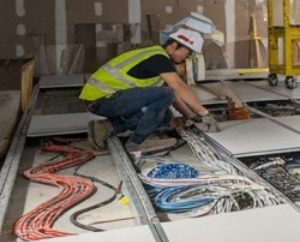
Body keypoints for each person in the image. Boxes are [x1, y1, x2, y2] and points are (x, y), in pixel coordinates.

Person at [81, 28, 216, 155]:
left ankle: (109, 127)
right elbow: (177, 86)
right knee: (165, 94)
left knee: (165, 115)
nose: (187, 57)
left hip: (105, 100)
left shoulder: (156, 59)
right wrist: (204, 113)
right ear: (173, 46)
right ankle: (137, 141)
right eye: (188, 52)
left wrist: (191, 117)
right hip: (104, 99)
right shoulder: (158, 58)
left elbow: (174, 96)